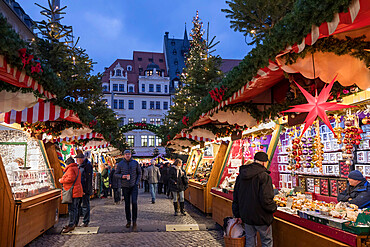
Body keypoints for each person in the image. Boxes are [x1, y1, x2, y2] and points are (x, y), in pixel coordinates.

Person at [232, 152, 277, 247]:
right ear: (264, 163)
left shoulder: (241, 175)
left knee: (250, 240)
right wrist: (273, 208)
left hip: (246, 215)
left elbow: (236, 195)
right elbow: (266, 198)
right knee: (266, 241)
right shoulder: (264, 176)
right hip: (262, 216)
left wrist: (237, 213)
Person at [114, 150, 142, 231]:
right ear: (124, 155)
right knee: (127, 204)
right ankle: (128, 221)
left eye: (129, 154)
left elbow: (139, 173)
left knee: (134, 203)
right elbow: (116, 174)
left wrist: (137, 182)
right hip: (125, 186)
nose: (127, 155)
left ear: (130, 155)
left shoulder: (135, 163)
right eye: (126, 154)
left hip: (134, 186)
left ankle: (134, 221)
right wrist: (122, 176)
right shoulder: (120, 164)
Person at [59, 157, 83, 233]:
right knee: (75, 208)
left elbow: (70, 179)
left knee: (71, 209)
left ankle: (71, 224)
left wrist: (61, 180)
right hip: (77, 191)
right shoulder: (76, 168)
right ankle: (75, 223)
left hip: (72, 192)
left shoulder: (70, 169)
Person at [75, 152, 93, 227]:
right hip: (79, 189)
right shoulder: (80, 166)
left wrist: (86, 190)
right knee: (78, 206)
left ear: (81, 159)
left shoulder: (87, 166)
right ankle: (76, 222)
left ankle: (85, 221)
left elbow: (88, 179)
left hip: (85, 190)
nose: (77, 161)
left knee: (85, 205)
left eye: (78, 159)